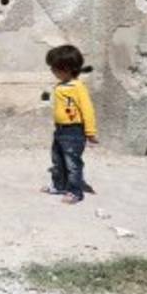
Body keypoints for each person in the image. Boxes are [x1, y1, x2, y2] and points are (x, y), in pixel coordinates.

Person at [42, 44, 98, 204]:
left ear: (66, 68)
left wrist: (90, 132)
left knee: (72, 163)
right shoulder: (61, 85)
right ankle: (59, 185)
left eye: (54, 68)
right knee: (57, 159)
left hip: (74, 131)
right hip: (60, 130)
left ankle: (75, 192)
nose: (52, 70)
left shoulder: (78, 87)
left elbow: (88, 110)